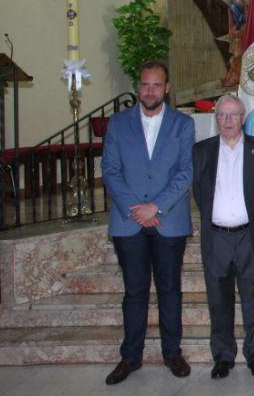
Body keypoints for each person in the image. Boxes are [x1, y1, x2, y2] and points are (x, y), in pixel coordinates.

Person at [100, 61, 194, 385]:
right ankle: (130, 357)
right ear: (138, 87)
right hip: (129, 223)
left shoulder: (183, 124)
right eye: (145, 85)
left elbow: (185, 172)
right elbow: (110, 170)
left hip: (169, 220)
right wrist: (134, 208)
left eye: (156, 85)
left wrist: (157, 206)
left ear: (167, 88)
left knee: (170, 290)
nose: (150, 91)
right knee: (134, 292)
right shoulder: (118, 123)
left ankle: (172, 352)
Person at [192, 94, 254, 379]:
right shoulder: (201, 151)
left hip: (249, 236)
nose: (227, 121)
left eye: (233, 115)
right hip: (217, 238)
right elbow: (199, 191)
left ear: (243, 117)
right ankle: (223, 357)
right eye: (222, 115)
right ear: (216, 118)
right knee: (218, 300)